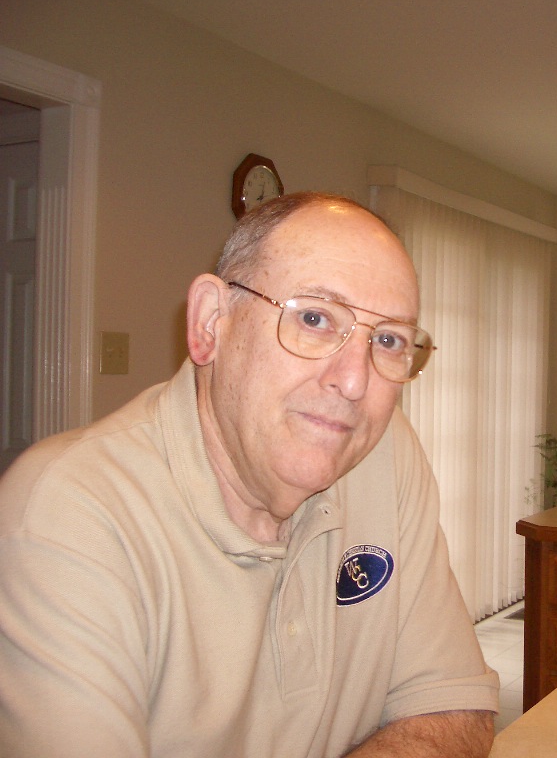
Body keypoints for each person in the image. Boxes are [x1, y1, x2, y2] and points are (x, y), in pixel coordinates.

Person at [0, 192, 499, 757]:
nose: (354, 382)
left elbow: (454, 707)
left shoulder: (385, 455)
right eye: (314, 318)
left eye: (387, 340)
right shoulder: (65, 515)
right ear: (211, 322)